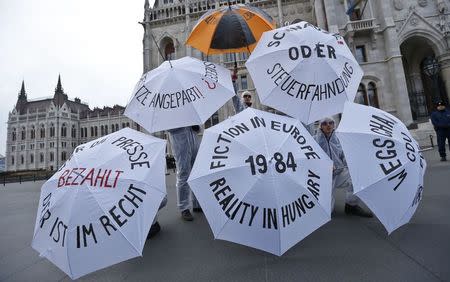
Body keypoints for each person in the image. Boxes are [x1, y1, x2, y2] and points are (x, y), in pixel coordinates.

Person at [314, 117, 373, 217]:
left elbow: (345, 155)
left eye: (331, 123)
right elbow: (311, 159)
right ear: (321, 127)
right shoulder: (314, 140)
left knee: (357, 177)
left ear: (334, 125)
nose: (328, 125)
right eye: (324, 123)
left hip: (339, 172)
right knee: (327, 212)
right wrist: (324, 166)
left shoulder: (339, 139)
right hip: (323, 177)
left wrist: (351, 164)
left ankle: (351, 206)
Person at [167, 125, 202, 221]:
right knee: (183, 173)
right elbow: (168, 128)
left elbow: (199, 129)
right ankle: (184, 208)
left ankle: (197, 203)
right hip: (180, 140)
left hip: (193, 139)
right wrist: (183, 123)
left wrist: (196, 127)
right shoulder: (168, 111)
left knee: (196, 171)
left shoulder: (188, 111)